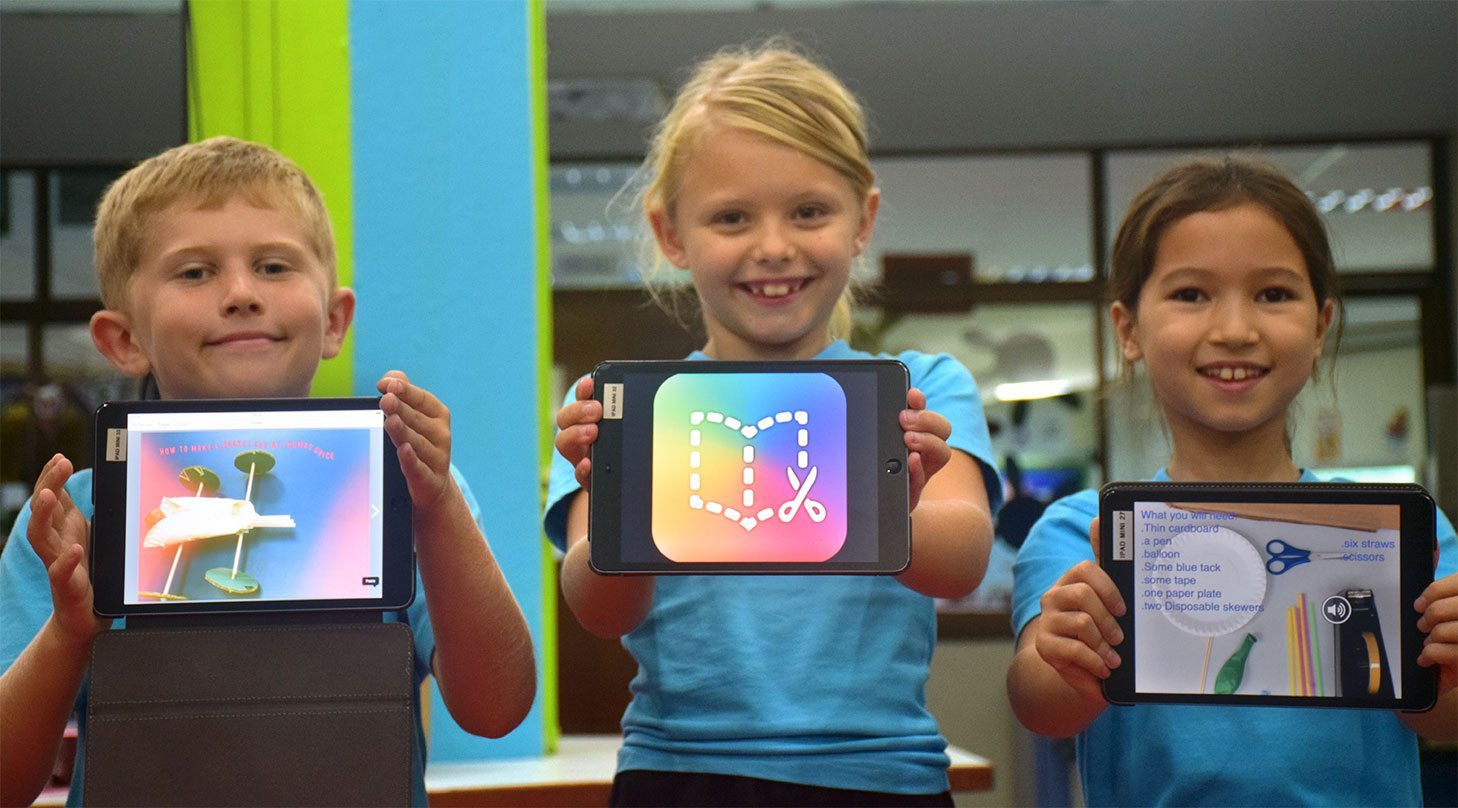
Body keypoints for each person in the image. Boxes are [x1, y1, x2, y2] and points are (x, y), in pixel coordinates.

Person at [0, 136, 537, 807]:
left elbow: (497, 710)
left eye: (275, 266)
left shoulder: (407, 487)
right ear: (124, 340)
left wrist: (440, 513)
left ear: (335, 319)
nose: (241, 294)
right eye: (194, 273)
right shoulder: (75, 520)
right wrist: (71, 631)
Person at [548, 41, 1000, 806]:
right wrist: (628, 506)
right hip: (679, 772)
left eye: (809, 211)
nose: (773, 247)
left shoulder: (919, 390)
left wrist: (898, 499)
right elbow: (599, 608)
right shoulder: (628, 408)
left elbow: (961, 561)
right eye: (731, 217)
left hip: (881, 774)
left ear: (864, 220)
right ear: (671, 235)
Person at [1006, 155, 1458, 805]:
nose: (1235, 330)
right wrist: (1069, 655)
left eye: (1274, 294)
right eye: (1191, 294)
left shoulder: (1395, 528)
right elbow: (1039, 706)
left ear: (1321, 326)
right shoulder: (1086, 531)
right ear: (1127, 329)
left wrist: (1445, 672)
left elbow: (1442, 718)